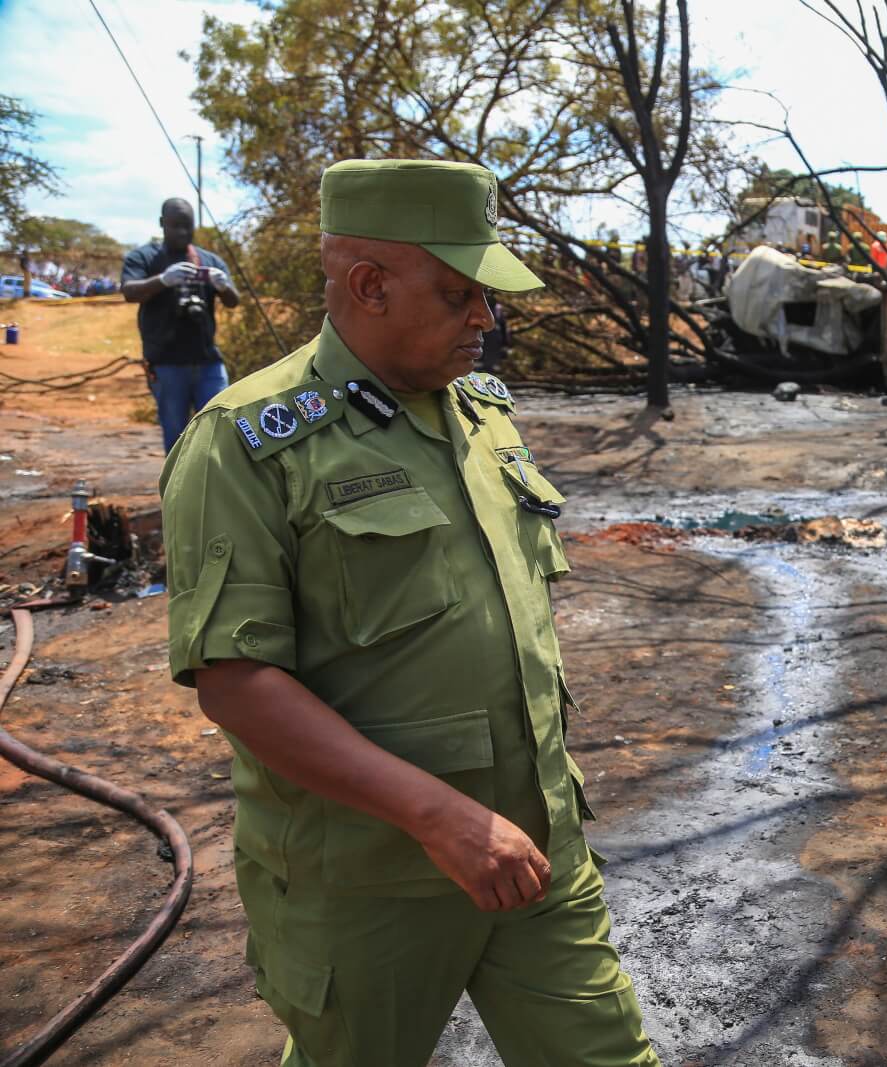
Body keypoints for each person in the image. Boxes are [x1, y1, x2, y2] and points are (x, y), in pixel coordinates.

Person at [160, 159, 661, 1067]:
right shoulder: (245, 443)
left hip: (534, 851)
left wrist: (508, 818)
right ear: (369, 285)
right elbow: (236, 682)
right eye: (461, 292)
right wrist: (440, 817)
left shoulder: (481, 416)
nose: (487, 317)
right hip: (369, 882)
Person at [122, 197, 240, 451]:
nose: (182, 232)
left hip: (207, 360)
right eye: (176, 226)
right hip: (166, 363)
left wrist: (222, 285)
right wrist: (163, 280)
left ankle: (216, 489)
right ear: (162, 224)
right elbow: (130, 292)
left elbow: (233, 301)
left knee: (221, 430)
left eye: (188, 226)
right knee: (176, 438)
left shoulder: (209, 260)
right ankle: (177, 491)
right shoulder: (144, 257)